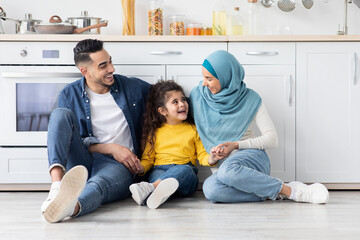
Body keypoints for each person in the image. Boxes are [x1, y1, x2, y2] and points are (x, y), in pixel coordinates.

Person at [190, 50, 329, 204]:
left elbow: (272, 139)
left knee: (226, 171)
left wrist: (236, 145)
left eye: (209, 79)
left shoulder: (250, 98)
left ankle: (294, 192)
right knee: (210, 189)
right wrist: (212, 158)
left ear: (225, 76)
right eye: (203, 77)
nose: (204, 83)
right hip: (226, 168)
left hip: (251, 157)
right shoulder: (198, 97)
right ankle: (275, 189)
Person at [41, 39, 151, 223]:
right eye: (103, 66)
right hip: (82, 159)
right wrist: (113, 148)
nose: (112, 69)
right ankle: (57, 187)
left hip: (118, 166)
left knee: (98, 184)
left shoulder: (132, 88)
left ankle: (71, 207)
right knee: (60, 114)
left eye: (110, 61)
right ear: (85, 72)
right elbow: (71, 141)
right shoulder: (69, 94)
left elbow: (168, 97)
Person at [128, 80, 222, 209]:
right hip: (159, 170)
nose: (182, 104)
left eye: (183, 100)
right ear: (162, 111)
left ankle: (151, 189)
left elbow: (201, 155)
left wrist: (212, 158)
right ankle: (157, 194)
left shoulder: (193, 129)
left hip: (185, 173)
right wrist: (140, 168)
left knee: (185, 170)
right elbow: (148, 159)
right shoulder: (154, 132)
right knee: (157, 178)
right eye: (175, 102)